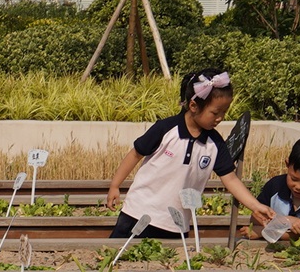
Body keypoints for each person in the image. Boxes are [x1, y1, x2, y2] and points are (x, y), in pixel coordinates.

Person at [106, 69, 270, 239]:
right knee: (119, 260)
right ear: (193, 106)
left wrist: (256, 206)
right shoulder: (166, 129)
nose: (220, 118)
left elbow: (231, 179)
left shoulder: (215, 144)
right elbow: (135, 154)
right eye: (215, 112)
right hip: (138, 213)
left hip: (176, 224)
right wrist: (115, 186)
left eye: (224, 112)